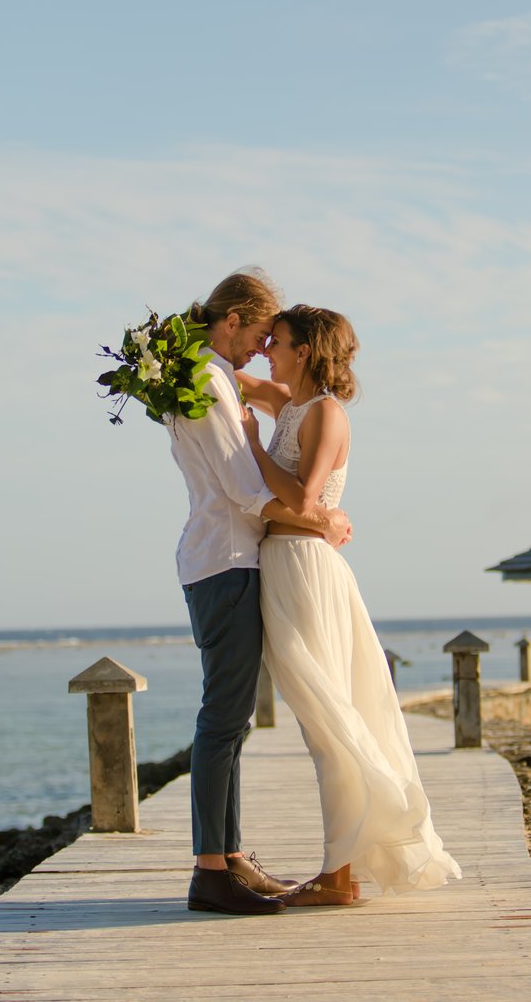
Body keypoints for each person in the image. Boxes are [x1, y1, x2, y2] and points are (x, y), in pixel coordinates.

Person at [239, 304, 462, 906]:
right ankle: (341, 869)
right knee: (323, 723)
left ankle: (340, 876)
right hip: (283, 567)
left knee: (330, 720)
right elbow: (230, 376)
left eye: (277, 341)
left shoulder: (326, 414)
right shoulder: (290, 404)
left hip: (308, 570)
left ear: (306, 351)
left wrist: (254, 447)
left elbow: (304, 499)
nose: (267, 350)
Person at [164, 273, 352, 916]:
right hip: (228, 559)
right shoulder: (208, 382)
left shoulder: (202, 376)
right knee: (223, 718)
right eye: (259, 336)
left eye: (275, 340)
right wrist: (322, 519)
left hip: (228, 558)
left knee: (232, 718)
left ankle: (230, 855)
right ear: (237, 318)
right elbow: (246, 490)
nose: (261, 349)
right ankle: (210, 872)